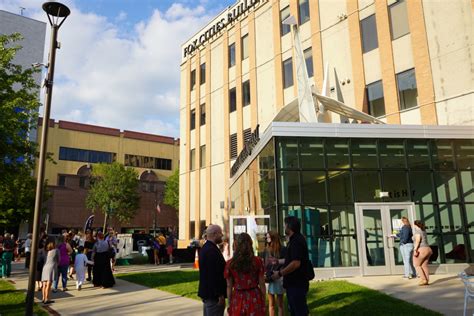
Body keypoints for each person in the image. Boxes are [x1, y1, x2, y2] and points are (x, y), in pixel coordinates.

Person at [272, 216, 310, 316]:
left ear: (289, 227)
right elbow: (292, 259)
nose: (284, 228)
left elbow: (296, 263)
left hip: (296, 284)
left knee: (299, 312)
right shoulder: (295, 239)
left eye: (285, 225)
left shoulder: (296, 241)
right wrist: (278, 261)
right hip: (295, 284)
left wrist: (280, 273)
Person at [225, 233, 266, 316]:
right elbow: (262, 283)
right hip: (254, 297)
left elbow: (229, 285)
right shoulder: (257, 261)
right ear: (250, 244)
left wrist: (229, 303)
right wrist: (263, 299)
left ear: (236, 245)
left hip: (237, 298)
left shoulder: (230, 264)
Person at [198, 224, 226, 316]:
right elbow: (213, 275)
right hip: (213, 297)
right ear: (214, 234)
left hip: (208, 294)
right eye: (220, 233)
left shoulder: (206, 248)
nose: (222, 235)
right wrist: (219, 294)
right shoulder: (211, 251)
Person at [265, 231, 287, 316]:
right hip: (270, 277)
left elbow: (287, 261)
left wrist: (277, 262)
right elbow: (266, 264)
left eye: (268, 237)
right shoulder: (267, 249)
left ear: (273, 238)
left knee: (280, 304)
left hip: (279, 276)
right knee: (271, 304)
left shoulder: (283, 249)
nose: (267, 239)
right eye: (266, 238)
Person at [413, 220, 433, 286]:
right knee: (424, 265)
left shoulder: (418, 231)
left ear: (415, 225)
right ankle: (426, 280)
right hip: (428, 249)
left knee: (416, 265)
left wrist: (415, 249)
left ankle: (423, 279)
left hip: (421, 249)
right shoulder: (423, 231)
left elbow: (418, 241)